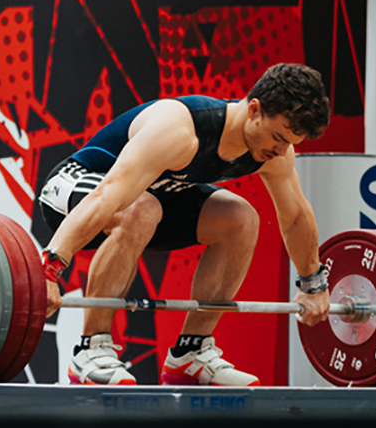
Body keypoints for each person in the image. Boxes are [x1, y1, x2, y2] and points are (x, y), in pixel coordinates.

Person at [37, 63, 332, 386]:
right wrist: (50, 267)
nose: (280, 150)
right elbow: (109, 194)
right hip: (72, 191)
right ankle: (90, 350)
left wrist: (313, 285)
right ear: (253, 109)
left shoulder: (274, 153)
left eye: (289, 142)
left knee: (240, 219)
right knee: (141, 208)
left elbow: (295, 216)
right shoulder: (180, 129)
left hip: (149, 203)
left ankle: (190, 355)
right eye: (277, 137)